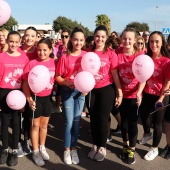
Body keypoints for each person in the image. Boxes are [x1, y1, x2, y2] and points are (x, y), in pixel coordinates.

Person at [86, 25, 122, 162]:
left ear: (106, 38)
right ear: (94, 37)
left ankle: (102, 146)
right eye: (97, 36)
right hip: (90, 90)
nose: (99, 39)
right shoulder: (88, 53)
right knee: (93, 119)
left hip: (106, 89)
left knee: (102, 119)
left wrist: (119, 93)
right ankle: (95, 145)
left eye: (102, 36)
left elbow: (115, 74)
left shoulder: (111, 53)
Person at [22, 38, 56, 166]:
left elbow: (59, 77)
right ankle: (35, 151)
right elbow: (25, 83)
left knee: (44, 125)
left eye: (45, 50)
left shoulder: (54, 63)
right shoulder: (32, 63)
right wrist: (29, 99)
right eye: (39, 50)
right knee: (35, 125)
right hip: (34, 99)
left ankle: (42, 147)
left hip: (47, 99)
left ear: (50, 50)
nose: (41, 53)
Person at [55, 27, 86, 165]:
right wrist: (66, 82)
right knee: (68, 122)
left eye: (81, 40)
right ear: (71, 40)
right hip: (67, 92)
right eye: (75, 39)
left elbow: (91, 75)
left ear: (84, 41)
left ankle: (74, 148)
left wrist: (87, 88)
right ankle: (67, 149)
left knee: (76, 122)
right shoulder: (64, 57)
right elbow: (57, 77)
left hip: (81, 93)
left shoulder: (86, 56)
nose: (78, 42)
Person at [116, 27, 145, 164]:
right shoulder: (117, 53)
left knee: (133, 123)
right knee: (124, 123)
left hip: (134, 95)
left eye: (129, 39)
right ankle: (125, 145)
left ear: (134, 40)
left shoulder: (139, 56)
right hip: (122, 95)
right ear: (121, 39)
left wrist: (139, 93)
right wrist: (119, 93)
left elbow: (143, 78)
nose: (126, 41)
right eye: (124, 38)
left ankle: (131, 150)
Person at [139, 31, 170, 161]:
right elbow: (143, 78)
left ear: (162, 43)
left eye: (157, 41)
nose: (154, 44)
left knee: (157, 123)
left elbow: (167, 82)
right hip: (147, 94)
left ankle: (154, 148)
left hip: (160, 96)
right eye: (151, 41)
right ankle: (147, 133)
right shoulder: (146, 58)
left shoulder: (166, 61)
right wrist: (139, 93)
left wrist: (161, 99)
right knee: (143, 115)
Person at [0, 31, 29, 166]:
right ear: (7, 41)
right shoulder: (1, 57)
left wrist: (24, 98)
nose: (14, 44)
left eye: (16, 42)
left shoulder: (24, 58)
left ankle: (14, 150)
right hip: (4, 93)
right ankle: (5, 149)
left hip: (18, 94)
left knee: (17, 123)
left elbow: (25, 81)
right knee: (5, 122)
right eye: (11, 41)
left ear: (20, 42)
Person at [17, 26, 39, 157]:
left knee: (30, 117)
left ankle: (26, 140)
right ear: (23, 36)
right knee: (19, 116)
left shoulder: (39, 51)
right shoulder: (17, 50)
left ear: (36, 37)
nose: (29, 38)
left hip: (35, 89)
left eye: (32, 35)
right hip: (18, 88)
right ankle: (19, 141)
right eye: (27, 35)